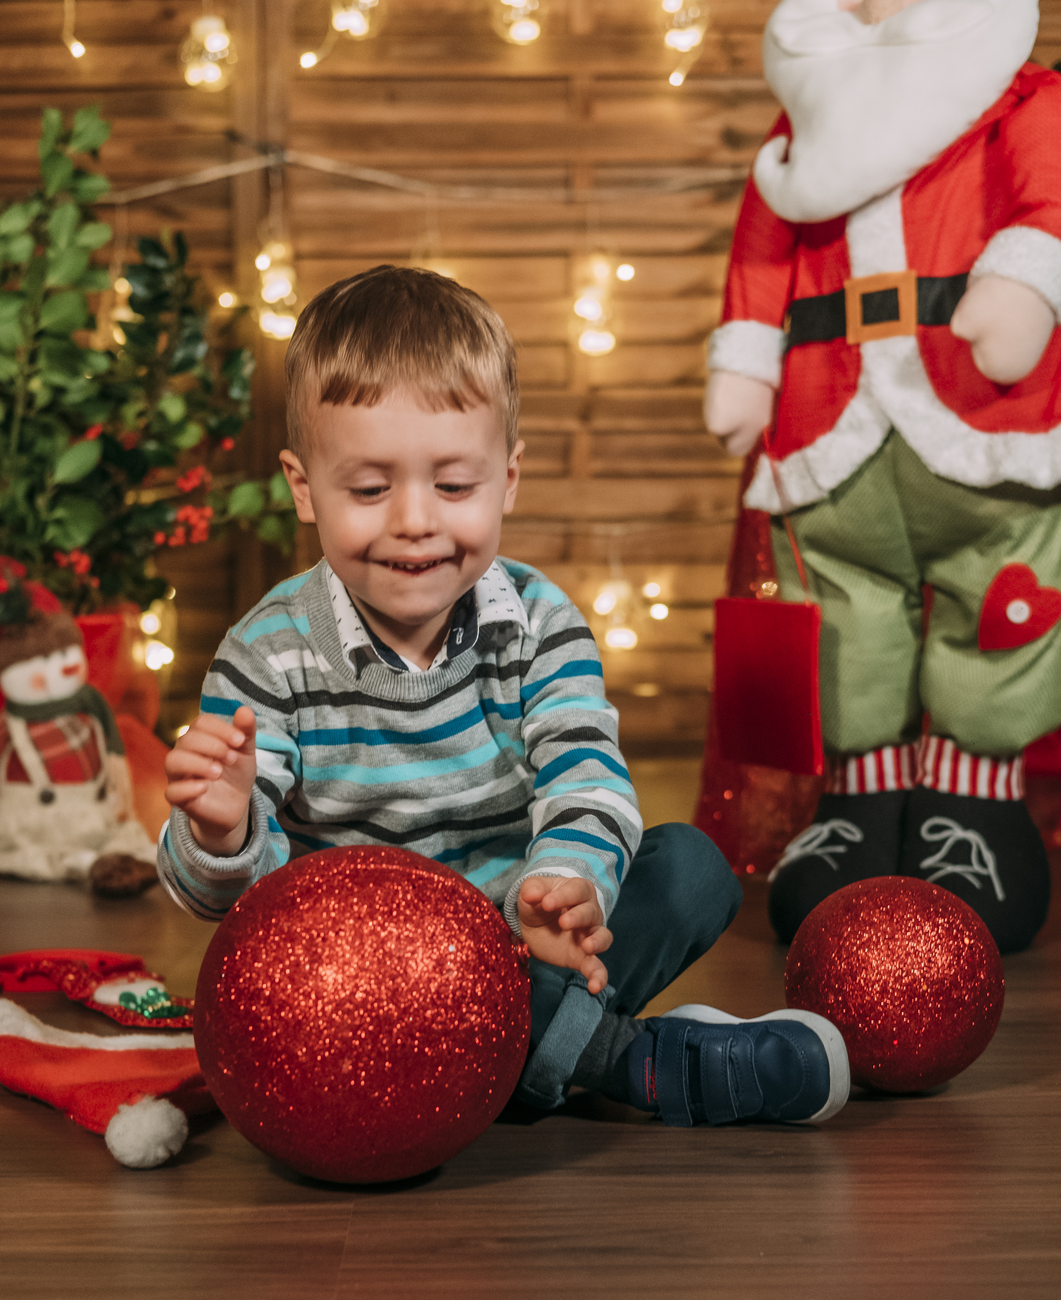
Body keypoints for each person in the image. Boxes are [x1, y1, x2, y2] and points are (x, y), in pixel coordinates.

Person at [158, 265, 849, 1128]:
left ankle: (506, 1062)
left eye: (453, 486)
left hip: (517, 947)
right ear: (306, 488)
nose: (415, 520)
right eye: (369, 489)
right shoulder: (267, 653)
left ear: (509, 478)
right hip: (358, 993)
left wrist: (563, 885)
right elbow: (226, 906)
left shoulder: (539, 623)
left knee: (692, 871)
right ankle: (625, 1061)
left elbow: (587, 778)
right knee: (269, 989)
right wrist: (220, 833)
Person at [704, 0, 1061, 953]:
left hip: (987, 415)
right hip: (829, 417)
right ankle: (860, 806)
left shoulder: (1030, 102)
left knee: (1001, 601)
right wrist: (745, 363)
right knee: (843, 614)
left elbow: (1053, 197)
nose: (882, 2)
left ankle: (972, 810)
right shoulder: (801, 137)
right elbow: (761, 255)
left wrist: (1021, 287)